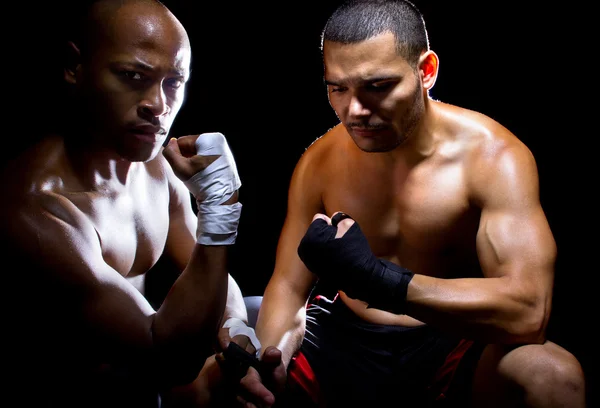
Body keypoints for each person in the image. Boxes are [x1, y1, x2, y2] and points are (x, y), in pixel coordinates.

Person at [231, 1, 587, 407]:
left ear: (426, 71)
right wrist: (270, 359)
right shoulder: (321, 161)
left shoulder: (493, 159)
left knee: (553, 375)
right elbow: (289, 285)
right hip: (342, 342)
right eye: (338, 88)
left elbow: (529, 312)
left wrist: (380, 281)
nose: (355, 111)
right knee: (218, 377)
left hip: (450, 342)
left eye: (377, 87)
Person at [0, 0, 260, 406]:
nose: (157, 105)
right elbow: (164, 353)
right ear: (74, 67)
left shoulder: (155, 168)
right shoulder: (40, 209)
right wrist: (219, 207)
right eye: (134, 76)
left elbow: (209, 272)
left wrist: (238, 339)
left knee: (256, 312)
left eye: (173, 82)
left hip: (153, 367)